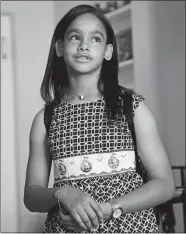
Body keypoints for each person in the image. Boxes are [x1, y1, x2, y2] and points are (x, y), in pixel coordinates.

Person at [24, 4, 175, 233]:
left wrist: (108, 209)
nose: (84, 45)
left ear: (108, 52)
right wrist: (62, 193)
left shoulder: (132, 107)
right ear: (59, 47)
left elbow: (164, 185)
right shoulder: (44, 119)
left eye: (95, 39)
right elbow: (31, 196)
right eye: (75, 37)